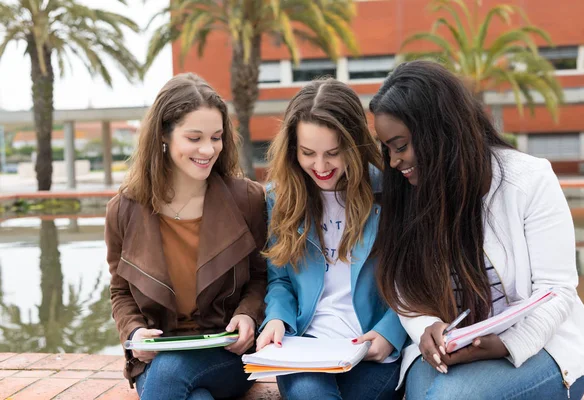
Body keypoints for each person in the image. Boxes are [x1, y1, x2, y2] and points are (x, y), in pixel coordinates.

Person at [370, 60, 584, 400]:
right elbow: (404, 283)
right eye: (386, 148)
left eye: (400, 146)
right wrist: (425, 326)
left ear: (438, 131)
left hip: (539, 349)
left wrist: (505, 343)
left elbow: (557, 290)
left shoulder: (529, 180)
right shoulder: (407, 192)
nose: (392, 162)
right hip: (449, 350)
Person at [105, 73, 267, 400]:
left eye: (217, 137)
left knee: (171, 373)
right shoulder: (123, 209)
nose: (208, 149)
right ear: (164, 135)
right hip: (158, 356)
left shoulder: (247, 200)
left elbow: (263, 276)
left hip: (229, 356)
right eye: (194, 138)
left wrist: (247, 315)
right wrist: (134, 332)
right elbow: (120, 290)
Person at [256, 78, 408, 400]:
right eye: (308, 153)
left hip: (372, 346)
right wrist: (277, 318)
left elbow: (410, 276)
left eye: (334, 153)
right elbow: (280, 279)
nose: (321, 166)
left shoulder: (390, 192)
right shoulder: (279, 198)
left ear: (354, 145)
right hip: (304, 348)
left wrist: (390, 333)